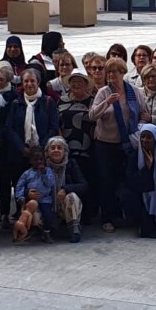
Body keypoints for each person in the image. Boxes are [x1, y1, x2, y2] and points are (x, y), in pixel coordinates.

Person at [89, 57, 144, 231]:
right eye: (109, 71)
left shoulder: (134, 91)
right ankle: (107, 217)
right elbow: (92, 116)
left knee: (124, 181)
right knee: (106, 181)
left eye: (115, 71)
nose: (111, 75)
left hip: (126, 144)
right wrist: (107, 103)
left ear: (122, 73)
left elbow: (143, 112)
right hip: (105, 145)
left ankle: (121, 215)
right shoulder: (104, 92)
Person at [0, 68, 57, 227]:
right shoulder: (16, 103)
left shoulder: (47, 102)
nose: (29, 84)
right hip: (20, 153)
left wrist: (40, 147)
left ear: (38, 82)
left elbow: (53, 127)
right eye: (26, 81)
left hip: (40, 154)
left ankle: (41, 221)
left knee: (40, 188)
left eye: (32, 81)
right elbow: (9, 127)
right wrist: (21, 147)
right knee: (21, 186)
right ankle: (22, 218)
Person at [56, 69, 98, 217]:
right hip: (67, 147)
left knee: (87, 179)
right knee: (70, 178)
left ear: (86, 84)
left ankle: (87, 214)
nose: (76, 84)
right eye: (73, 81)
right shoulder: (61, 100)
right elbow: (57, 122)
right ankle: (70, 214)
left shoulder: (93, 100)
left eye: (80, 81)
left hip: (87, 147)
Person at [44, 136, 88, 243]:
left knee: (72, 197)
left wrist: (65, 189)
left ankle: (74, 231)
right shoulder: (41, 166)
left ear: (65, 151)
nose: (56, 150)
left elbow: (84, 186)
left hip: (64, 205)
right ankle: (45, 231)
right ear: (47, 151)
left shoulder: (71, 164)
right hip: (47, 206)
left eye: (60, 148)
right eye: (53, 148)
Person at [139, 64, 156, 130]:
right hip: (140, 133)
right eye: (147, 77)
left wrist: (152, 118)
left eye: (153, 76)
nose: (151, 79)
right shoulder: (137, 93)